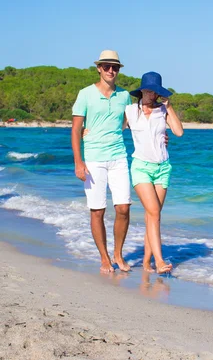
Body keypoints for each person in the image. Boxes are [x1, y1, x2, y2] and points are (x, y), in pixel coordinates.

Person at [71, 50, 132, 273]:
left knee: (123, 208)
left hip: (118, 157)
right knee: (98, 210)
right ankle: (104, 258)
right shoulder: (85, 94)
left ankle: (118, 253)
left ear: (118, 70)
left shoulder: (125, 96)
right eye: (106, 66)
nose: (110, 70)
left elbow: (128, 122)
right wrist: (79, 161)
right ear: (99, 68)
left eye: (114, 67)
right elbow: (76, 128)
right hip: (94, 159)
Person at [125, 72, 183, 274]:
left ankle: (147, 262)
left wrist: (170, 107)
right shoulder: (131, 111)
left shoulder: (163, 111)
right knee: (154, 212)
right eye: (148, 90)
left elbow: (178, 132)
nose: (151, 94)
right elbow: (114, 130)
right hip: (141, 167)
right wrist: (88, 131)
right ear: (141, 90)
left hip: (163, 167)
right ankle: (159, 261)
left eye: (155, 91)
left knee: (153, 216)